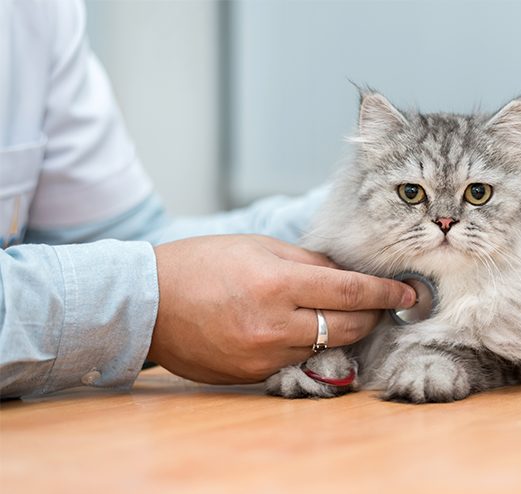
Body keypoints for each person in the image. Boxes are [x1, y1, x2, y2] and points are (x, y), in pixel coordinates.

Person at [0, 0, 416, 399]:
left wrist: (361, 215)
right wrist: (152, 305)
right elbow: (151, 277)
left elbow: (122, 243)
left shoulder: (42, 10)